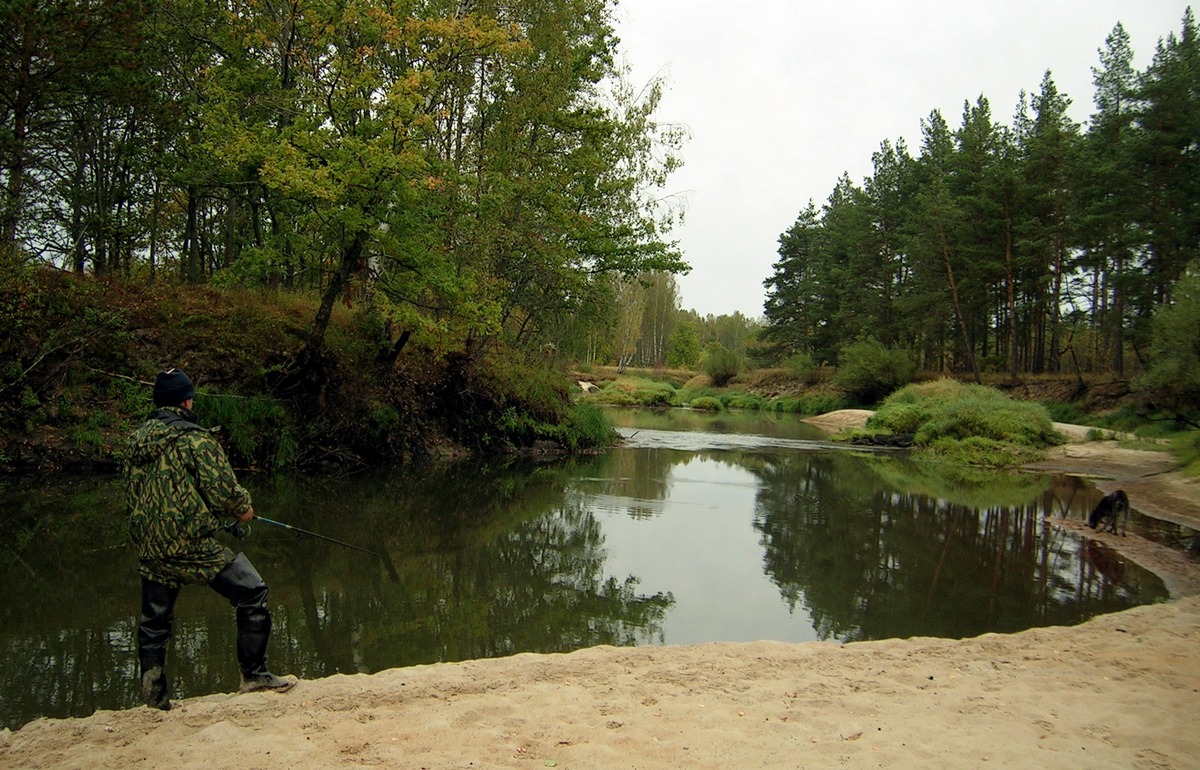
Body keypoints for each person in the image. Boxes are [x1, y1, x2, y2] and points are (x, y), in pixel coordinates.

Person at [124, 367, 295, 710]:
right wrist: (243, 510)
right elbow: (225, 493)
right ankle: (254, 675)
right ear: (187, 401)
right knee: (252, 591)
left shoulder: (135, 440)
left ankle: (154, 696)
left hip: (148, 543)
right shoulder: (196, 438)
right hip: (190, 543)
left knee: (155, 621)